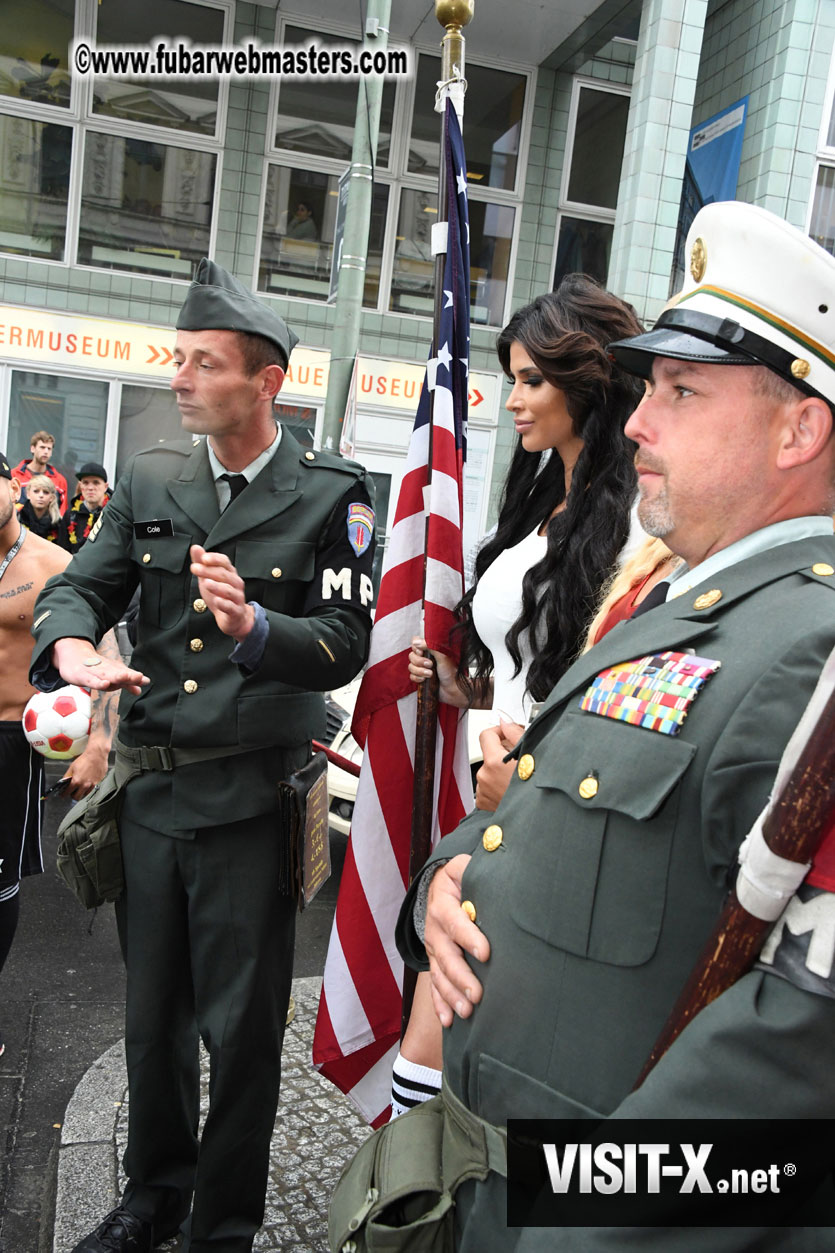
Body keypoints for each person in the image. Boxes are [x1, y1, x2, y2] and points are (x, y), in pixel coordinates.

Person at [391, 200, 835, 1248]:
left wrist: (584, 1227)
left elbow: (800, 1042)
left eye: (681, 390)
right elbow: (537, 801)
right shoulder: (679, 605)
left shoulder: (809, 650)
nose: (636, 420)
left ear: (799, 429)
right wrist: (446, 880)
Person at [30, 258, 376, 1253]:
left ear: (266, 381)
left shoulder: (330, 494)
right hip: (150, 800)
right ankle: (155, 1194)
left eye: (203, 362)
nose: (178, 378)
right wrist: (74, 648)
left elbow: (346, 642)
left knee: (242, 1031)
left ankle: (222, 1226)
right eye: (177, 357)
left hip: (250, 808)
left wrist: (257, 625)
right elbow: (82, 585)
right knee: (154, 1018)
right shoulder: (151, 475)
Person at [394, 277, 643, 1118]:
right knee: (434, 1052)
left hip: (552, 813)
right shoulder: (541, 497)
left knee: (456, 1052)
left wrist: (530, 782)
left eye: (531, 379)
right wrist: (459, 685)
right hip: (493, 800)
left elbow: (607, 692)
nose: (511, 400)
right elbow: (521, 668)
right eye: (511, 378)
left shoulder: (638, 525)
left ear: (587, 380)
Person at [0, 456, 117, 1058]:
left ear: (14, 486)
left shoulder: (53, 564)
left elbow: (105, 650)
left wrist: (99, 743)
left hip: (8, 739)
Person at [59, 460, 112, 552]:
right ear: (80, 486)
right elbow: (62, 550)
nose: (90, 488)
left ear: (105, 487)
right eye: (86, 483)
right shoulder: (70, 515)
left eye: (96, 483)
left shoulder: (114, 514)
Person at [13, 430, 68, 509]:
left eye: (49, 449)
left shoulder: (60, 481)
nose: (46, 451)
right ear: (32, 448)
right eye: (42, 447)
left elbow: (62, 512)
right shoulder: (14, 475)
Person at [17, 472, 61, 542]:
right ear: (28, 494)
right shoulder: (17, 515)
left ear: (52, 497)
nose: (41, 495)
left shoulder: (58, 524)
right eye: (36, 491)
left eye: (46, 492)